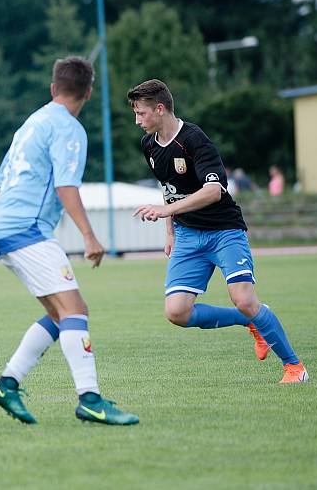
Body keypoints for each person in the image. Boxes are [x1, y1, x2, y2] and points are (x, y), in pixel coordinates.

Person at [0, 57, 139, 426]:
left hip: (4, 224)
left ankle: (7, 383)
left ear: (54, 88)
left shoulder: (32, 123)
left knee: (58, 314)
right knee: (76, 310)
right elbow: (65, 185)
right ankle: (90, 399)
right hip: (27, 228)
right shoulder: (68, 128)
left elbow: (4, 178)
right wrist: (89, 235)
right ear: (87, 92)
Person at [127, 79, 307, 384]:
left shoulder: (194, 139)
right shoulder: (149, 146)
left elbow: (213, 190)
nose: (137, 120)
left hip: (223, 231)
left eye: (142, 113)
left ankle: (294, 367)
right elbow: (170, 191)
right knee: (177, 312)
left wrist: (166, 212)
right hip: (187, 235)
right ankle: (247, 322)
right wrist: (170, 232)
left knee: (246, 300)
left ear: (160, 109)